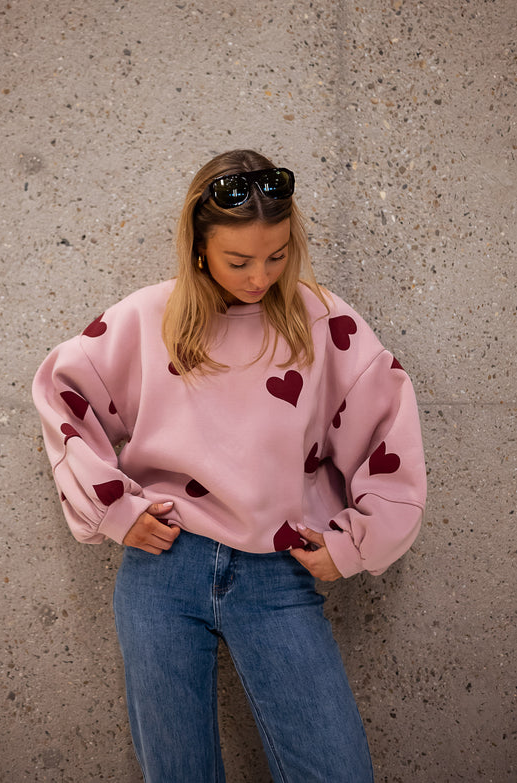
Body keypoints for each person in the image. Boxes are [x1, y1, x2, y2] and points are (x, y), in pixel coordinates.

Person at [32, 149, 426, 783]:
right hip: (164, 569)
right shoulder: (146, 318)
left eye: (275, 257)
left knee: (337, 770)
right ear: (198, 246)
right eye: (238, 260)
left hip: (277, 574)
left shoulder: (323, 321)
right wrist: (115, 508)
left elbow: (388, 427)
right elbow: (62, 394)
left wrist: (357, 543)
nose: (258, 277)